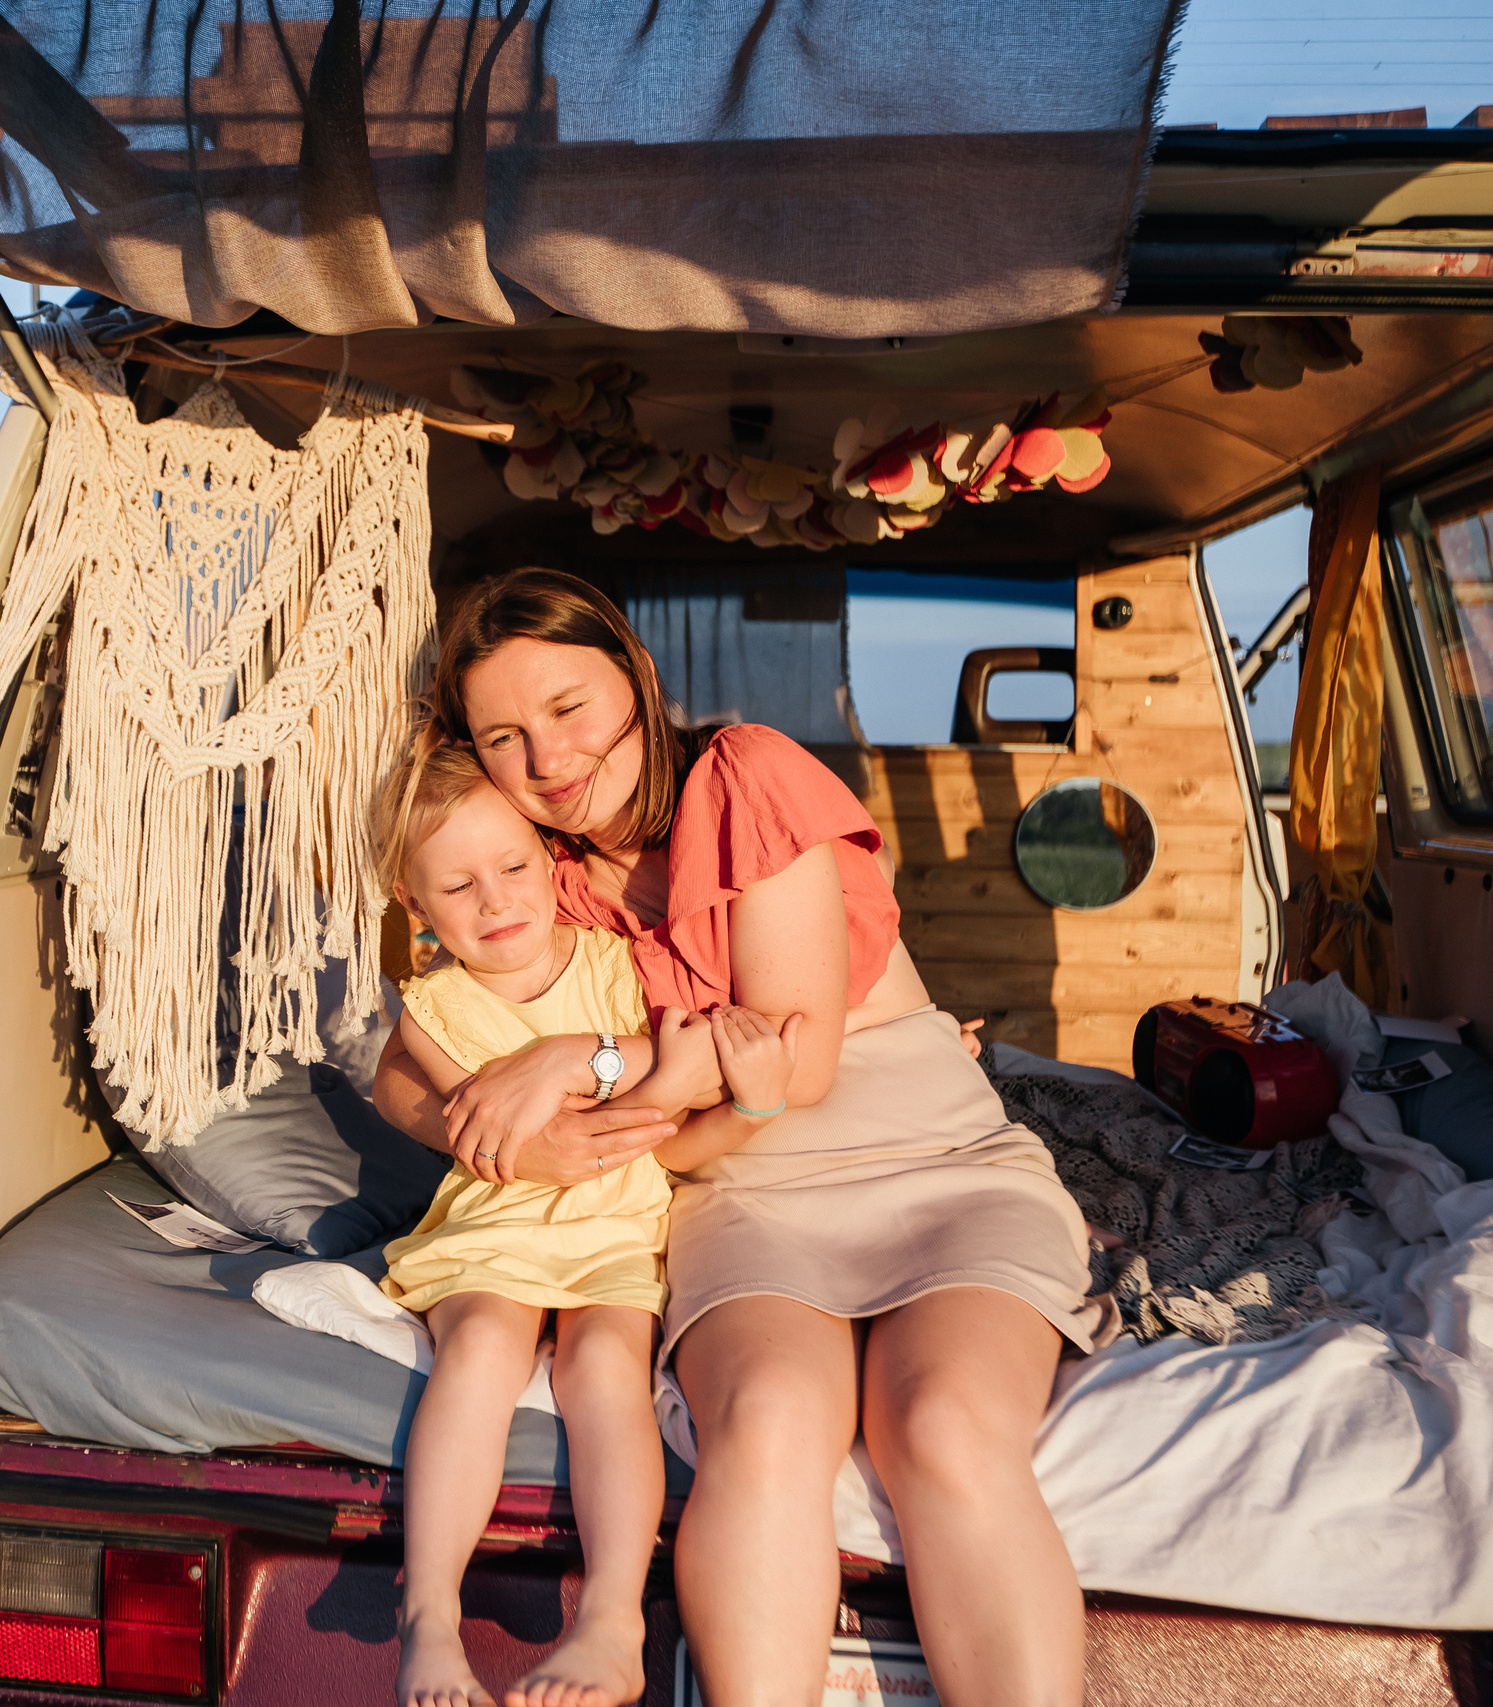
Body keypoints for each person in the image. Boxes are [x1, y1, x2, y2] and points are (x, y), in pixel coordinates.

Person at [372, 570, 1112, 1707]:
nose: (550, 760)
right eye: (504, 736)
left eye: (570, 709)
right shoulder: (535, 873)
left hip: (931, 1167)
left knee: (943, 1425)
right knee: (764, 1425)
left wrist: (577, 1060)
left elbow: (796, 1057)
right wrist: (501, 1140)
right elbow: (397, 1070)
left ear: (638, 679)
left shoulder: (746, 773)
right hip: (731, 1189)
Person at [370, 731, 799, 1707]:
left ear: (549, 861)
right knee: (480, 1345)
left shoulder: (614, 963)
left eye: (513, 867)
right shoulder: (432, 1010)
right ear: (416, 906)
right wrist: (627, 1070)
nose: (495, 902)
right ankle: (429, 1616)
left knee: (604, 1365)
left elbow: (673, 1088)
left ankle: (611, 1620)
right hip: (499, 1224)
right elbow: (591, 1109)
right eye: (457, 887)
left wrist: (613, 1067)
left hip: (614, 1227)